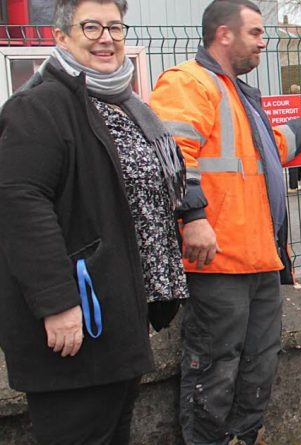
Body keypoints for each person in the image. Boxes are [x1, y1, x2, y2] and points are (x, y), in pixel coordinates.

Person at [0, 0, 188, 443]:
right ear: (60, 37)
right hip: (77, 320)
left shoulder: (123, 105)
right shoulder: (39, 106)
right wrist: (57, 304)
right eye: (91, 27)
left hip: (119, 313)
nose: (106, 38)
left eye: (115, 28)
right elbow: (19, 204)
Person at [149, 1, 301, 444]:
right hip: (218, 260)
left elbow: (269, 151)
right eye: (256, 33)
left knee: (259, 363)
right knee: (215, 368)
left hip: (259, 258)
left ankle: (244, 437)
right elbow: (171, 155)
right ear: (224, 34)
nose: (264, 42)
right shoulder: (188, 82)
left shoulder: (237, 94)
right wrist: (193, 216)